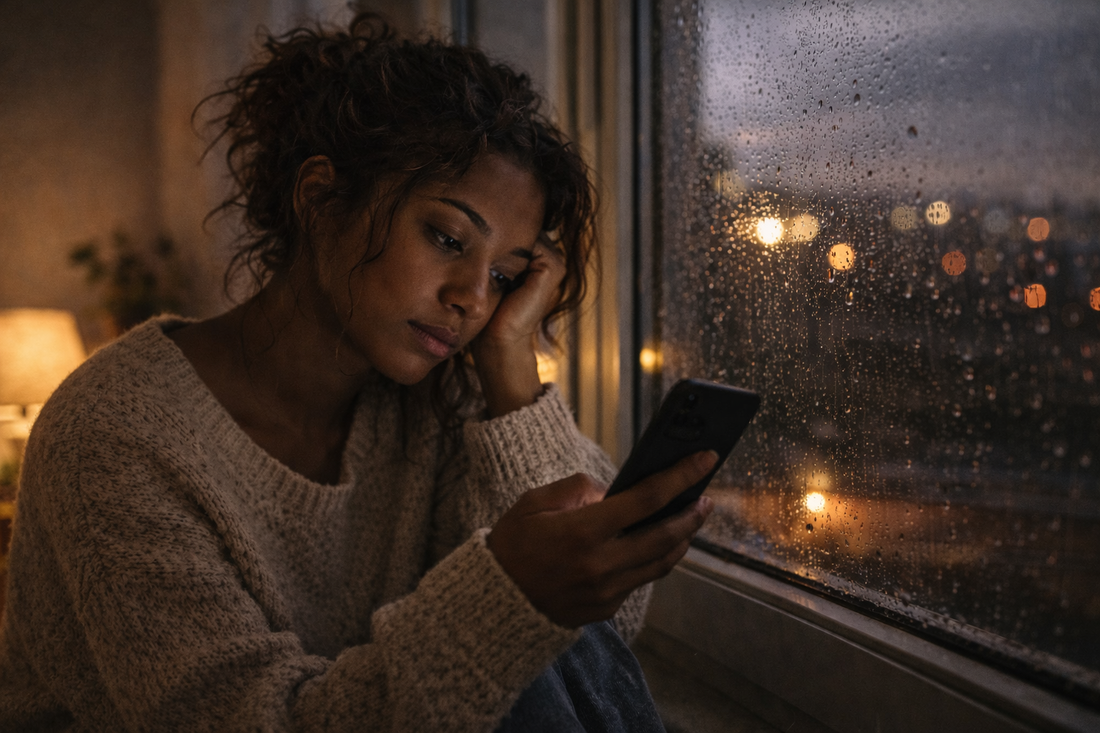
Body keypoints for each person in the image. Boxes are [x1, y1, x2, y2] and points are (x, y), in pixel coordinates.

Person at [0, 14, 715, 732]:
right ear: (317, 198)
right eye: (446, 237)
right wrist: (510, 595)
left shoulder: (440, 404)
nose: (472, 297)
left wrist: (509, 368)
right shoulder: (113, 436)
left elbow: (603, 634)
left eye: (503, 275)